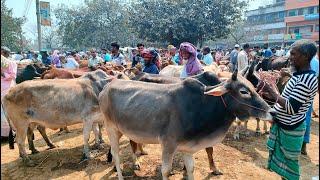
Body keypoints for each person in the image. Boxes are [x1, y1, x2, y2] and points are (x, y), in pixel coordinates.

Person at [260, 40, 318, 180]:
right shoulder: (298, 75)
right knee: (284, 169)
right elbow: (287, 98)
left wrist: (272, 92)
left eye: (293, 54)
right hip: (284, 125)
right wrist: (274, 91)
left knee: (290, 167)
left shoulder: (306, 79)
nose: (290, 57)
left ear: (305, 56)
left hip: (291, 128)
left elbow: (291, 108)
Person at [301, 45, 319, 155]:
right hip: (310, 93)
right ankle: (303, 146)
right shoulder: (317, 63)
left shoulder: (304, 62)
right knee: (306, 117)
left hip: (301, 91)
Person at [1, 54, 17, 137]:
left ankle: (12, 131)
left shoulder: (11, 63)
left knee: (8, 110)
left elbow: (13, 76)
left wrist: (2, 73)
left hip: (7, 89)